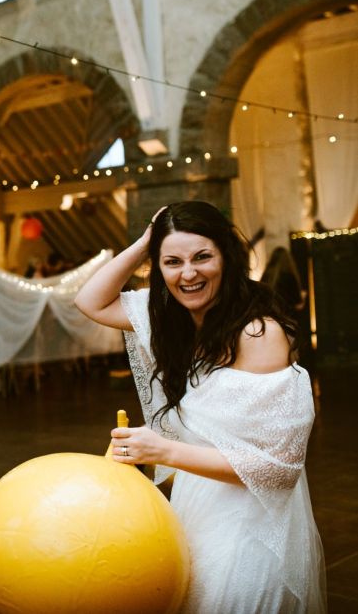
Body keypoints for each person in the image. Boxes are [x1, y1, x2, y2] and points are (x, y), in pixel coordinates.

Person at [74, 201, 325, 613]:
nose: (188, 273)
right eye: (172, 262)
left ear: (226, 256)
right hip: (195, 506)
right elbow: (90, 301)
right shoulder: (168, 321)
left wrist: (163, 451)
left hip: (253, 526)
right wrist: (145, 241)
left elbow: (277, 470)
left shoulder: (258, 334)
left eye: (202, 257)